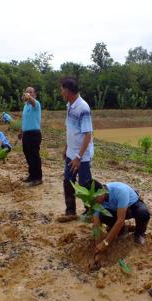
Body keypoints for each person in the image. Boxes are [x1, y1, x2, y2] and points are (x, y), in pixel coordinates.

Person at [60, 77, 94, 216]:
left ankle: (90, 211)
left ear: (68, 91)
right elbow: (71, 130)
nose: (61, 92)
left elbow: (88, 135)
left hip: (82, 156)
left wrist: (78, 157)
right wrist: (66, 147)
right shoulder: (70, 105)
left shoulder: (83, 108)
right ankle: (70, 211)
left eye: (62, 90)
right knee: (68, 181)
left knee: (85, 184)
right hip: (71, 153)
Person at [91, 180, 151, 255]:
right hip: (116, 210)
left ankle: (139, 233)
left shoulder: (120, 191)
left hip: (131, 207)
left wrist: (105, 243)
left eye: (95, 198)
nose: (94, 202)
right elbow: (96, 224)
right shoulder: (96, 201)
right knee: (102, 216)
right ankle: (121, 230)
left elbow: (120, 220)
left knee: (143, 213)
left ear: (101, 192)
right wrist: (98, 247)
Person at [18, 87, 43, 186]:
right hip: (26, 134)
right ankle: (32, 175)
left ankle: (38, 178)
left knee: (35, 156)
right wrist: (21, 131)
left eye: (30, 92)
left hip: (34, 134)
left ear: (34, 94)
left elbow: (32, 101)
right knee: (28, 155)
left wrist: (28, 96)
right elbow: (24, 120)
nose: (28, 93)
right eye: (27, 92)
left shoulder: (36, 104)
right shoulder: (25, 106)